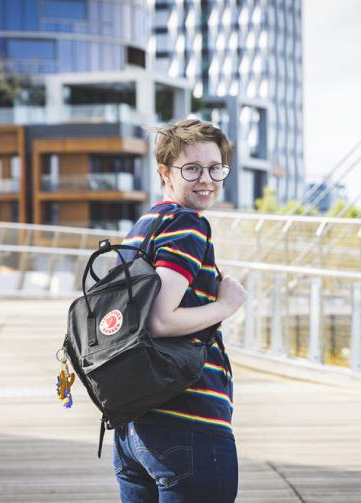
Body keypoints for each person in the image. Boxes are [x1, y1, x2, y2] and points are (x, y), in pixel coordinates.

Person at [113, 119, 247, 502]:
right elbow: (160, 319)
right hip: (187, 422)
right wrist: (226, 305)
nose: (206, 179)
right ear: (165, 173)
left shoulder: (144, 226)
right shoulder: (188, 225)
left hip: (135, 426)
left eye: (215, 168)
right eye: (191, 169)